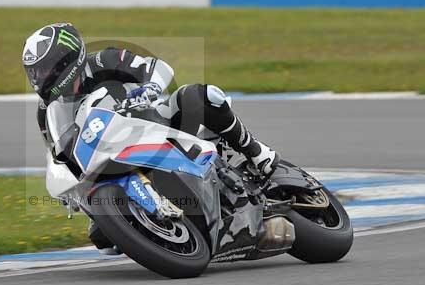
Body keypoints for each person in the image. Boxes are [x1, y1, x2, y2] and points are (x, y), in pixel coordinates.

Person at [22, 22, 280, 251]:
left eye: (43, 71)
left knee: (199, 96)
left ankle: (257, 153)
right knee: (102, 238)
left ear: (65, 61)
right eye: (33, 73)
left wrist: (150, 87)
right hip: (108, 158)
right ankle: (163, 230)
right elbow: (60, 152)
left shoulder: (104, 61)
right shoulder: (46, 113)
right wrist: (71, 192)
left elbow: (158, 67)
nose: (38, 79)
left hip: (156, 124)